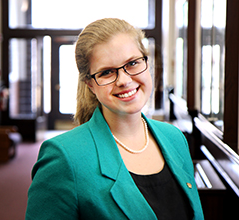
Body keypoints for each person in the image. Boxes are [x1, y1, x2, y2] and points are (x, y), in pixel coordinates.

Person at [25, 18, 204, 220]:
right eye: (107, 72)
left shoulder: (175, 138)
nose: (124, 80)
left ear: (147, 62)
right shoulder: (64, 158)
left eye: (133, 63)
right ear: (90, 85)